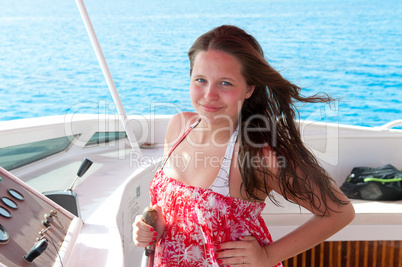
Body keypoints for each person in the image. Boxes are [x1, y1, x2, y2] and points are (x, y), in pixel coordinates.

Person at [133, 25, 355, 267]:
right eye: (200, 80)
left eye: (225, 83)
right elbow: (174, 206)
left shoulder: (256, 153)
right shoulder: (179, 127)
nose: (209, 94)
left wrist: (268, 256)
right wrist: (153, 227)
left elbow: (339, 212)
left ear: (249, 88)